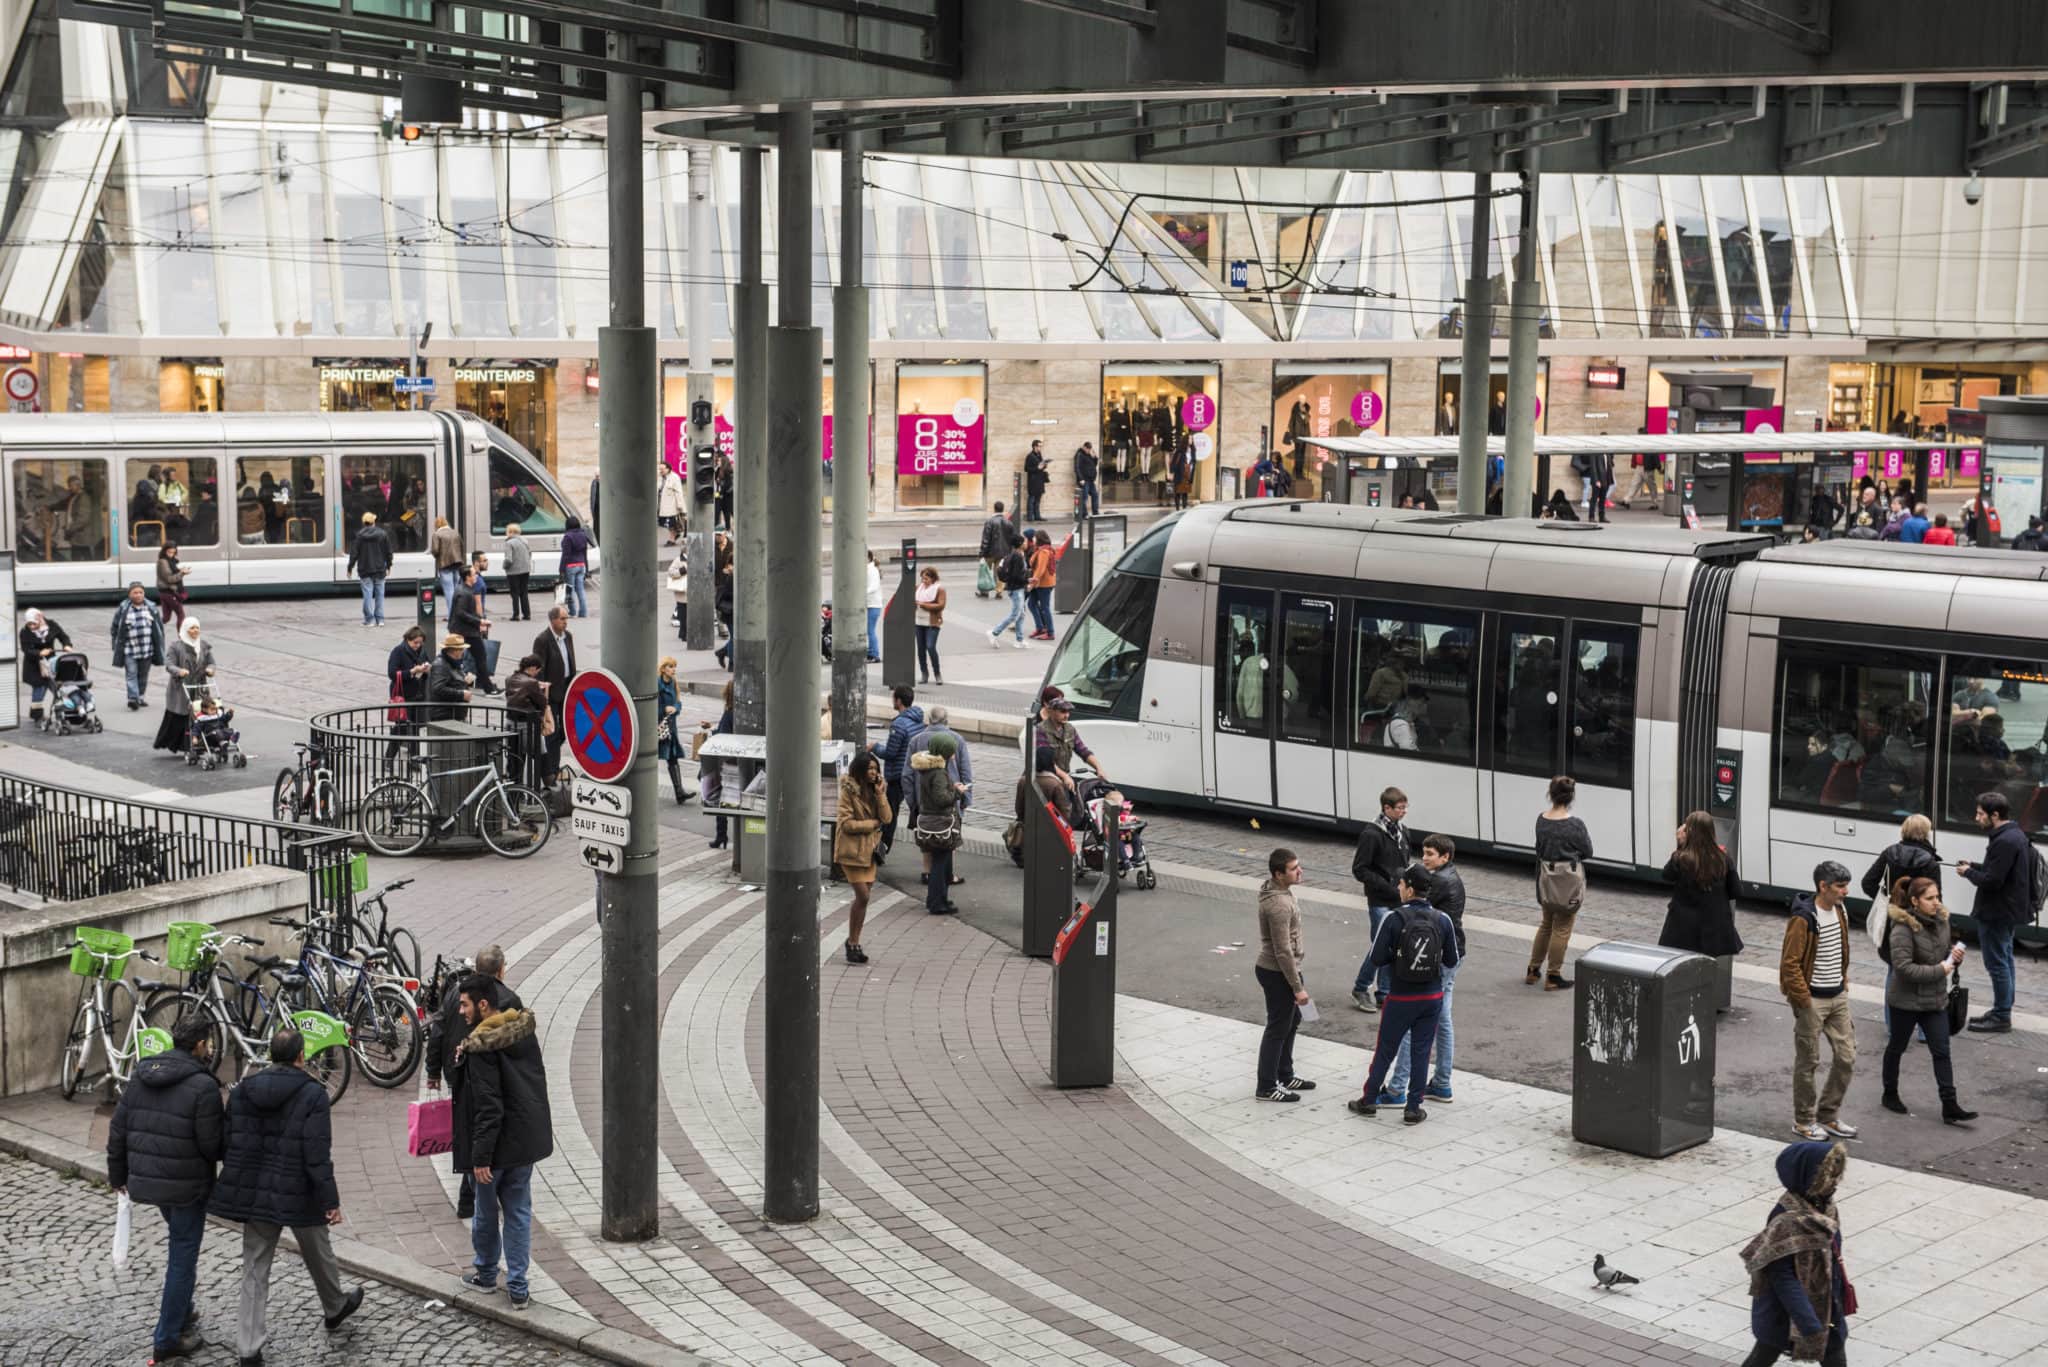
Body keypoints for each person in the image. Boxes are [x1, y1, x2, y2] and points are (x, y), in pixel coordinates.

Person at [210, 1026, 364, 1362]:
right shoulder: (313, 1094)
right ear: (300, 1057)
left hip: (256, 1193)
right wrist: (330, 1200)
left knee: (254, 1266)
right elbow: (316, 1153)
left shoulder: (243, 1090)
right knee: (317, 1248)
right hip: (299, 1190)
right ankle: (335, 1306)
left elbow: (227, 1142)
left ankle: (248, 1348)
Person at [107, 1014, 224, 1363]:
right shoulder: (203, 1087)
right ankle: (167, 1337)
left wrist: (118, 1177)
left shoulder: (141, 1076)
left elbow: (118, 1130)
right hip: (188, 1187)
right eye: (209, 1042)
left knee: (179, 1247)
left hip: (148, 1181)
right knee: (182, 1257)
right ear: (200, 1045)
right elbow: (212, 1146)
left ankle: (183, 1310)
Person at [454, 975, 553, 1310]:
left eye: (465, 1003)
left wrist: (480, 1157)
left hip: (494, 1149)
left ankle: (484, 1273)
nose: (460, 1009)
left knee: (485, 1212)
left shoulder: (483, 1046)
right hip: (523, 1142)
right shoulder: (520, 1029)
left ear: (483, 1005)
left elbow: (488, 1105)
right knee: (519, 1212)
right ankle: (519, 1287)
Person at [1346, 862, 1459, 1125]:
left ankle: (1369, 1099)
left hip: (1400, 997)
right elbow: (1452, 960)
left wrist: (1398, 959)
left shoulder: (1394, 918)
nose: (1398, 888)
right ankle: (1413, 1107)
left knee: (1386, 1049)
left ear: (1408, 889)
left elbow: (1376, 957)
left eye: (1400, 884)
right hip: (1431, 997)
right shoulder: (1443, 920)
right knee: (1421, 1052)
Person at [1737, 1141, 1853, 1367]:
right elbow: (1781, 1275)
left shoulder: (1824, 1206)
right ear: (1810, 1177)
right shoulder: (1786, 1220)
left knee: (1835, 1355)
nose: (1836, 1182)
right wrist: (1808, 1321)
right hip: (1786, 1311)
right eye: (1830, 1175)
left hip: (1827, 1304)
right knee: (1763, 1356)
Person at [1880, 877, 1977, 1123]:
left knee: (1942, 1051)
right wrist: (1942, 969)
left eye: (1938, 897)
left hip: (1934, 1001)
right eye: (1930, 898)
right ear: (1915, 901)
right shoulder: (1902, 927)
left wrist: (1953, 955)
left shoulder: (1942, 922)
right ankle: (1890, 1094)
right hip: (1905, 1001)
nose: (1936, 903)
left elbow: (1941, 953)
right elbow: (1903, 968)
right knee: (1897, 1048)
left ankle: (1950, 1105)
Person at [1381, 834, 1465, 1106]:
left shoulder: (1437, 882)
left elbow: (1407, 904)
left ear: (1445, 857)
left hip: (1432, 959)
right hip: (1450, 955)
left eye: (1430, 854)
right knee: (1442, 1020)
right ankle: (1441, 1083)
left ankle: (1397, 1088)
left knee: (1414, 1020)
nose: (1424, 858)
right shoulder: (1452, 876)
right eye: (1424, 853)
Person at [426, 944, 508, 1222]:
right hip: (478, 1073)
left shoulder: (455, 994)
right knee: (480, 1129)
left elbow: (437, 1031)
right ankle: (470, 1196)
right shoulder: (500, 1000)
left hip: (455, 1072)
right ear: (501, 971)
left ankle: (470, 1195)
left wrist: (433, 1071)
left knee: (467, 1127)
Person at [1781, 861, 1859, 1141]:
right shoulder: (1803, 918)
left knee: (1846, 1057)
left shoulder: (1840, 910)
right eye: (1840, 886)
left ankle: (1828, 1116)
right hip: (1812, 999)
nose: (1845, 891)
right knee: (1808, 1061)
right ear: (1822, 887)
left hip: (1837, 996)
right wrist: (1803, 999)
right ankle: (1803, 1121)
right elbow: (1789, 963)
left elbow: (1842, 948)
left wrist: (1843, 979)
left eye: (1846, 885)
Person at [1957, 789, 2030, 1033]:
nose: (1976, 818)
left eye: (1980, 814)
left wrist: (1968, 873)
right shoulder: (2013, 834)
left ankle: (2001, 1016)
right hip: (2006, 910)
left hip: (1996, 911)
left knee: (1997, 963)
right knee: (2005, 959)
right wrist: (1975, 866)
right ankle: (2003, 1007)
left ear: (1994, 815)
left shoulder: (2005, 841)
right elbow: (1998, 871)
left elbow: (1993, 881)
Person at [1254, 848, 1314, 1103]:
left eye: (1298, 866)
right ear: (1279, 874)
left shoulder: (1281, 891)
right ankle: (1267, 1086)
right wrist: (1297, 986)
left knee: (1293, 1020)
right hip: (1277, 972)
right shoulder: (1278, 904)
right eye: (1293, 868)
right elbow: (1282, 950)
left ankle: (1285, 1074)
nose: (1299, 871)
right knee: (1278, 1028)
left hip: (1286, 970)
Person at [1349, 786, 1412, 1014]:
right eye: (1400, 808)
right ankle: (1361, 987)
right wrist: (1388, 887)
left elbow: (1405, 864)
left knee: (1391, 946)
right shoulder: (1372, 834)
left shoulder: (1403, 832)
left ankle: (1384, 993)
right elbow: (1360, 869)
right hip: (1380, 900)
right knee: (1382, 946)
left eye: (1405, 807)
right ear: (1387, 808)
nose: (1404, 812)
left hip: (1398, 899)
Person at [1526, 776, 1593, 990]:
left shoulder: (1541, 820)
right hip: (1567, 884)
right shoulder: (1575, 824)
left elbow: (1539, 849)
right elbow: (1587, 852)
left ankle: (1533, 970)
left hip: (1546, 880)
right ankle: (1553, 975)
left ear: (1551, 794)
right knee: (1562, 928)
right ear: (1571, 796)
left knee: (1546, 924)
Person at [1658, 810, 1744, 962]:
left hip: (1682, 931)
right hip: (1714, 932)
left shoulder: (1680, 858)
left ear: (1688, 833)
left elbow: (1666, 876)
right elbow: (1736, 891)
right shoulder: (1723, 858)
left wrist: (1680, 845)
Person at [834, 751, 889, 963]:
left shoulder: (876, 791)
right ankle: (851, 941)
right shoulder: (848, 791)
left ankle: (854, 942)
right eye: (869, 769)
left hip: (869, 853)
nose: (873, 772)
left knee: (863, 900)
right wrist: (872, 825)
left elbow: (887, 817)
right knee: (863, 896)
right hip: (851, 851)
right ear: (860, 770)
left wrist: (881, 794)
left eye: (875, 769)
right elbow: (846, 824)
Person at [911, 732, 965, 915]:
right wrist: (957, 792)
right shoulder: (939, 773)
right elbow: (942, 799)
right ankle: (937, 902)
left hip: (930, 820)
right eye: (952, 751)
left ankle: (939, 899)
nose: (954, 755)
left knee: (940, 863)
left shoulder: (927, 770)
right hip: (940, 822)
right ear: (945, 752)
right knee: (940, 864)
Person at [155, 617, 216, 756]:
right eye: (192, 628)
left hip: (199, 687)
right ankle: (184, 745)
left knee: (200, 714)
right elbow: (169, 664)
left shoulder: (204, 646)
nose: (195, 631)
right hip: (181, 687)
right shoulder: (176, 646)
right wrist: (179, 671)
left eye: (197, 628)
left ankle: (202, 743)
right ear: (185, 629)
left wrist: (210, 669)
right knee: (182, 715)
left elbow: (211, 662)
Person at [877, 686, 924, 860]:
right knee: (916, 808)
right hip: (913, 772)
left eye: (893, 698)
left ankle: (882, 848)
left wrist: (874, 747)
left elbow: (890, 753)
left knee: (890, 813)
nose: (892, 701)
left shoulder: (899, 724)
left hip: (897, 774)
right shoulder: (918, 719)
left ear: (898, 700)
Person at [532, 606, 577, 786]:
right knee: (552, 732)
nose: (566, 622)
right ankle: (551, 771)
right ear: (552, 620)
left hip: (567, 689)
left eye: (567, 619)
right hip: (551, 692)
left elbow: (571, 660)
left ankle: (551, 763)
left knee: (564, 731)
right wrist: (543, 696)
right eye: (562, 619)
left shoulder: (568, 637)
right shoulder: (542, 640)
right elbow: (538, 669)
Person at [1860, 813, 1942, 905]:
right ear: (1926, 834)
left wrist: (1888, 900)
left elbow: (1867, 883)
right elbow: (1937, 897)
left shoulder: (1889, 853)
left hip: (1891, 913)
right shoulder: (1930, 862)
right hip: (1918, 915)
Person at [110, 580, 166, 710]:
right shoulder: (124, 609)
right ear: (129, 595)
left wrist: (160, 643)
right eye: (135, 592)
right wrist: (116, 644)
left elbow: (159, 628)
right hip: (130, 650)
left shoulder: (151, 607)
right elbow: (115, 628)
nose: (138, 595)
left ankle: (140, 696)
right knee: (131, 673)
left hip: (147, 649)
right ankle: (133, 699)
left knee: (143, 674)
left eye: (141, 592)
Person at [384, 624, 434, 766]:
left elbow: (427, 664)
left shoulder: (422, 651)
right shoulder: (398, 651)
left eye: (420, 642)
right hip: (403, 696)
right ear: (407, 639)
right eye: (415, 642)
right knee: (402, 728)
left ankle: (414, 760)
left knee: (417, 728)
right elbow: (392, 673)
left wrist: (426, 669)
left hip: (418, 695)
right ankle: (388, 758)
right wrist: (412, 671)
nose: (417, 645)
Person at [19, 607, 72, 727]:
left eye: (34, 623)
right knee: (39, 688)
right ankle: (37, 715)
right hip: (34, 665)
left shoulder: (51, 625)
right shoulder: (25, 632)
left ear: (40, 619)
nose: (31, 626)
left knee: (57, 687)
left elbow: (63, 636)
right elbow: (26, 649)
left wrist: (67, 645)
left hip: (51, 662)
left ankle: (64, 710)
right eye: (29, 624)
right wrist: (39, 653)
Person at [450, 564, 497, 695]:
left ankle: (485, 685)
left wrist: (479, 622)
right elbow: (461, 613)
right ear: (467, 577)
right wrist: (480, 621)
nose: (476, 576)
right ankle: (488, 688)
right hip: (465, 631)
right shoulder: (464, 593)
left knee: (470, 657)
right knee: (480, 657)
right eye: (474, 574)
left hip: (464, 630)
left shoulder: (464, 589)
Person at [503, 654, 549, 788]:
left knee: (515, 760)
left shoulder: (509, 679)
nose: (537, 674)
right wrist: (544, 689)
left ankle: (514, 793)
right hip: (528, 726)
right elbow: (542, 702)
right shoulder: (532, 683)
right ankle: (551, 790)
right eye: (538, 671)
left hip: (511, 724)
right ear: (533, 668)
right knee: (542, 758)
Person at [700, 679, 736, 849]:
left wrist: (713, 730)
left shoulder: (729, 712)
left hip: (726, 762)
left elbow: (724, 735)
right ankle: (721, 836)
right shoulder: (740, 711)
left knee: (720, 797)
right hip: (737, 760)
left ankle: (721, 835)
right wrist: (713, 727)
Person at [656, 656, 693, 804]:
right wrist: (663, 710)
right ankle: (678, 792)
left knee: (672, 757)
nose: (673, 670)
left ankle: (679, 792)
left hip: (670, 727)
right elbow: (652, 704)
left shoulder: (673, 683)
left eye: (674, 667)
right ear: (663, 669)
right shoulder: (657, 684)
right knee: (652, 757)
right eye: (670, 667)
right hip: (659, 727)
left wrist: (675, 709)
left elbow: (678, 702)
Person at [987, 533, 1030, 649]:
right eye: (1025, 541)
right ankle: (994, 632)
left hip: (1015, 587)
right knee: (1015, 615)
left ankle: (1019, 640)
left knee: (1021, 614)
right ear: (1020, 544)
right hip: (1016, 589)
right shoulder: (1017, 556)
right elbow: (1016, 575)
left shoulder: (1014, 554)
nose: (1027, 543)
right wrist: (1027, 580)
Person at [428, 632, 475, 723]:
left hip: (455, 714)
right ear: (455, 650)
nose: (463, 651)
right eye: (462, 649)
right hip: (445, 716)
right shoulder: (440, 665)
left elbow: (454, 681)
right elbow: (438, 688)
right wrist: (461, 694)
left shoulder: (454, 662)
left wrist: (467, 681)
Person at [913, 565, 947, 687]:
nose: (924, 581)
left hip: (932, 623)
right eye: (922, 578)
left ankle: (937, 673)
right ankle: (924, 673)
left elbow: (941, 605)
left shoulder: (939, 589)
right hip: (918, 622)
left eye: (926, 579)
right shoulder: (918, 588)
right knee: (921, 649)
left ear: (933, 579)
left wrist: (923, 605)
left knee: (930, 647)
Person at [430, 515, 465, 616]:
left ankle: (451, 615)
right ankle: (459, 613)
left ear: (436, 524)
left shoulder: (437, 535)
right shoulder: (455, 533)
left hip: (444, 565)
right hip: (457, 564)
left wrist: (434, 554)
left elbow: (435, 550)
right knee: (457, 590)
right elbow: (462, 547)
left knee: (449, 590)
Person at [558, 515, 592, 618]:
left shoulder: (567, 537)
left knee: (570, 590)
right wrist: (587, 567)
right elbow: (585, 553)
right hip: (581, 565)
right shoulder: (583, 535)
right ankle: (583, 612)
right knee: (580, 589)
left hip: (570, 566)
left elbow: (565, 555)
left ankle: (572, 611)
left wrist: (561, 569)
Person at [1027, 529, 1058, 640]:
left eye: (1035, 537)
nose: (1033, 539)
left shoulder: (1044, 552)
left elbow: (1041, 569)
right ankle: (1040, 627)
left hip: (1044, 584)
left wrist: (1033, 581)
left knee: (1045, 607)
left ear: (1039, 538)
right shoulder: (1039, 550)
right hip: (1039, 583)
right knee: (1031, 604)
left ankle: (1050, 632)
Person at [501, 523, 533, 622]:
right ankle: (527, 614)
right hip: (525, 570)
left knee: (514, 593)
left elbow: (509, 559)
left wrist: (504, 566)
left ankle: (516, 615)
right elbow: (530, 553)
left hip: (513, 571)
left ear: (510, 532)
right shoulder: (525, 541)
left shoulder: (509, 543)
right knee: (524, 592)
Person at [977, 501, 1010, 596]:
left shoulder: (989, 521)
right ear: (1003, 509)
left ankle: (985, 590)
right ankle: (999, 591)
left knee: (985, 571)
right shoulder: (1008, 522)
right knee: (1000, 572)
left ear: (994, 508)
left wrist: (982, 552)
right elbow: (1010, 539)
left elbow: (986, 538)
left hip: (990, 552)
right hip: (1003, 552)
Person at [156, 542, 190, 628]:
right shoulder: (163, 562)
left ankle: (150, 627)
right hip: (168, 592)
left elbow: (172, 573)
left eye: (173, 552)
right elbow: (169, 579)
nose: (171, 555)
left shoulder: (171, 561)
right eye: (169, 552)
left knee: (166, 618)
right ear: (164, 551)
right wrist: (182, 573)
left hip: (165, 592)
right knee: (180, 614)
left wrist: (181, 571)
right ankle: (182, 637)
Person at [657, 460, 685, 544]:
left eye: (662, 469)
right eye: (660, 469)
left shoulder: (675, 477)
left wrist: (680, 506)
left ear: (668, 469)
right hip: (662, 505)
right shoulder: (660, 478)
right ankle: (675, 535)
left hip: (672, 506)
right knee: (665, 523)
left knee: (671, 523)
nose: (661, 471)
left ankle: (672, 539)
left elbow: (679, 492)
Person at [864, 550, 884, 662]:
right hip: (870, 604)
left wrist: (861, 593)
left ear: (868, 558)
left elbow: (874, 586)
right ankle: (871, 652)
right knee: (868, 630)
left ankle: (874, 654)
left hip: (873, 604)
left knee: (870, 630)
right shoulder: (868, 569)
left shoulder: (872, 570)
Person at [1023, 439, 1048, 520]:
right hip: (1033, 481)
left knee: (1038, 500)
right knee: (1031, 499)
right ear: (1035, 446)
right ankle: (1030, 517)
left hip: (1040, 480)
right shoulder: (1030, 456)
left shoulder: (1039, 455)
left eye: (1041, 446)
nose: (1040, 448)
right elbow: (1026, 469)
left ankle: (1037, 516)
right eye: (1039, 446)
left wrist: (1044, 465)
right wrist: (1037, 468)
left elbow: (1041, 465)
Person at [1075, 441, 1100, 516]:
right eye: (1088, 449)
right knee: (1084, 497)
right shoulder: (1079, 455)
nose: (1089, 450)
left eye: (1090, 449)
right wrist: (1080, 479)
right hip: (1084, 480)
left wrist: (1095, 457)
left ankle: (1095, 512)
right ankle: (1084, 514)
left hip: (1091, 480)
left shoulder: (1089, 455)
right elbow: (1077, 467)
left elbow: (1094, 465)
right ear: (1084, 447)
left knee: (1095, 495)